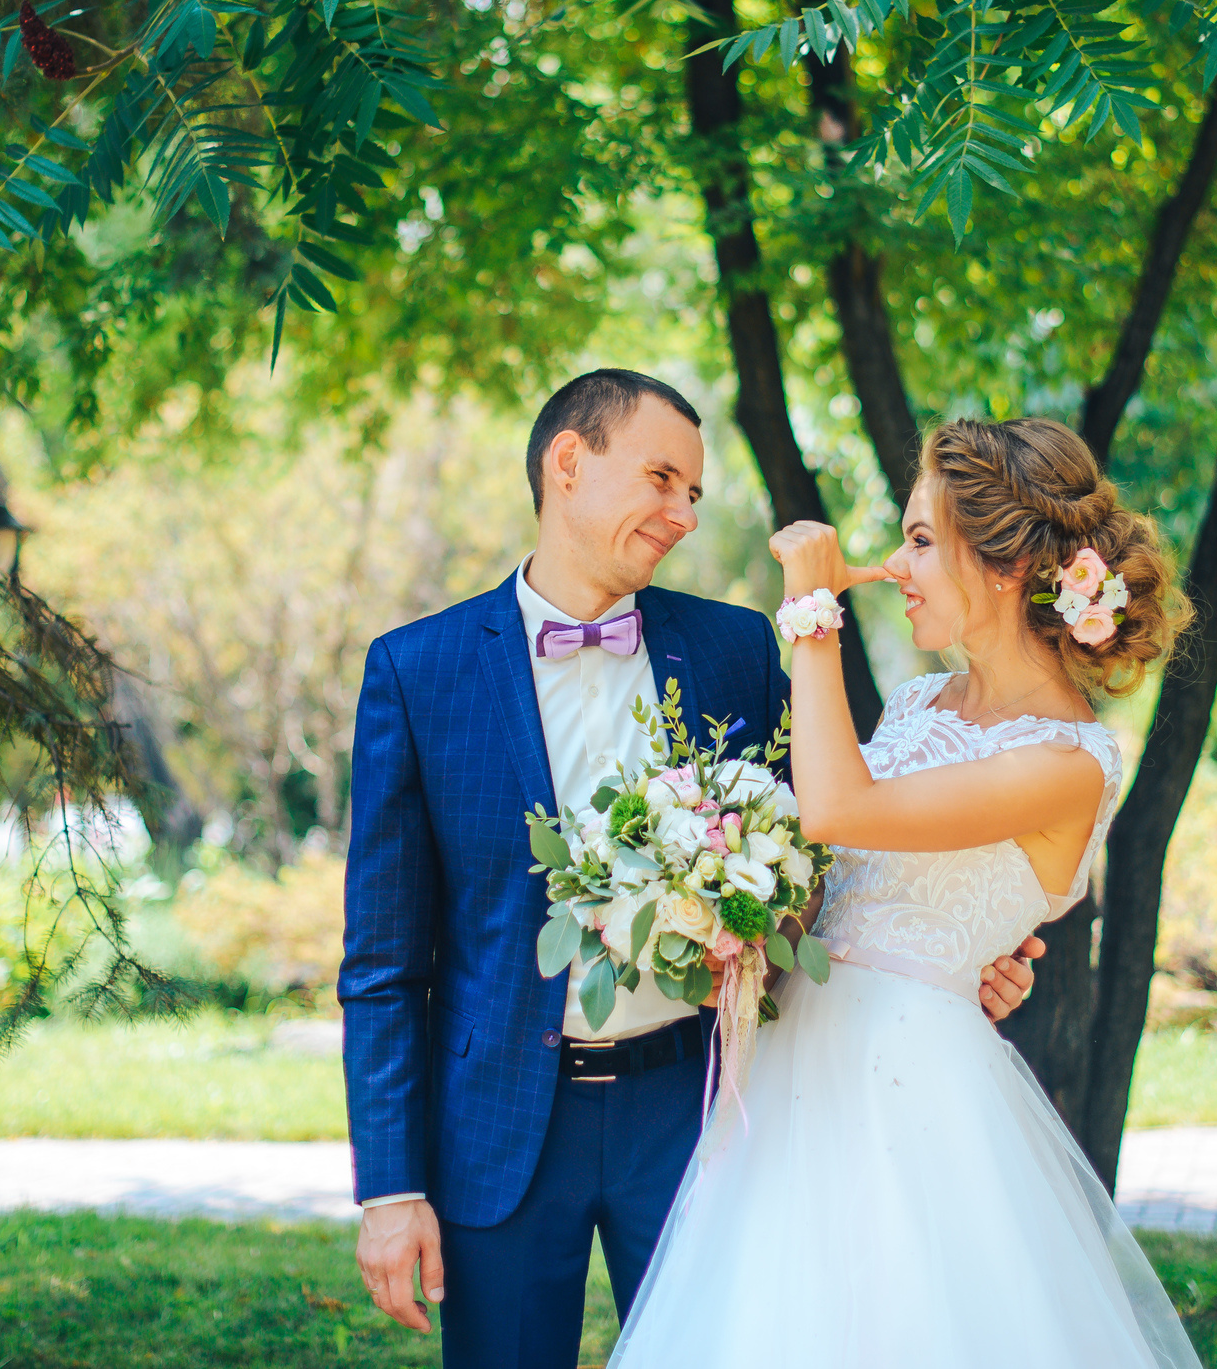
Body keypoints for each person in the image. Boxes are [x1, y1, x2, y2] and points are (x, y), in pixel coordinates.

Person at [341, 371, 1044, 1369]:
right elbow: (382, 959)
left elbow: (823, 858)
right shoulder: (417, 669)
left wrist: (949, 955)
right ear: (568, 462)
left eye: (695, 493)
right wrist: (390, 1186)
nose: (682, 514)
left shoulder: (733, 648)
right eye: (662, 478)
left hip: (701, 1114)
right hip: (495, 1131)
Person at [609, 415, 1205, 1368]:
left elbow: (838, 807)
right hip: (797, 1059)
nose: (894, 562)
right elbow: (857, 871)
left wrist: (809, 609)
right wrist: (733, 901)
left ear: (1006, 566)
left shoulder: (1069, 762)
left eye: (923, 539)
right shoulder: (922, 702)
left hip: (906, 1090)